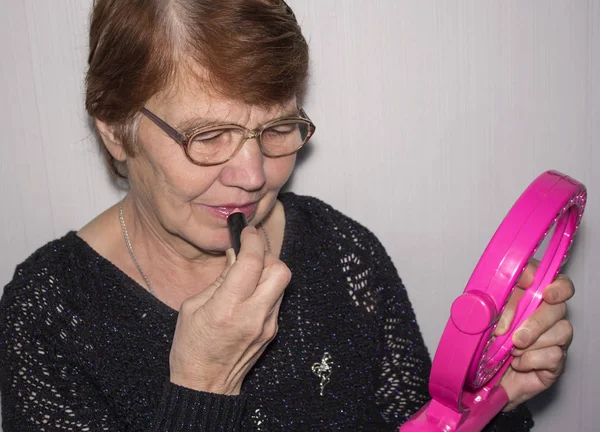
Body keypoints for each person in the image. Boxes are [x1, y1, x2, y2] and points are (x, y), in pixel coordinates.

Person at [0, 1, 575, 431]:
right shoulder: (44, 314)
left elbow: (418, 421)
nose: (254, 175)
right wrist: (202, 386)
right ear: (116, 131)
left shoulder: (342, 250)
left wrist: (489, 402)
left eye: (277, 128)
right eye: (209, 135)